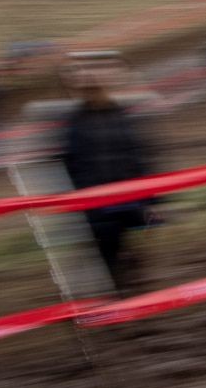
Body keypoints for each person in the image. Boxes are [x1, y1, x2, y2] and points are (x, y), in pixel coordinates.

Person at [58, 51, 159, 293]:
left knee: (119, 246)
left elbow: (140, 154)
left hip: (127, 198)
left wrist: (153, 198)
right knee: (107, 251)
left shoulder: (123, 116)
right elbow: (69, 163)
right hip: (97, 202)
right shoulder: (74, 122)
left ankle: (126, 277)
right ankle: (117, 288)